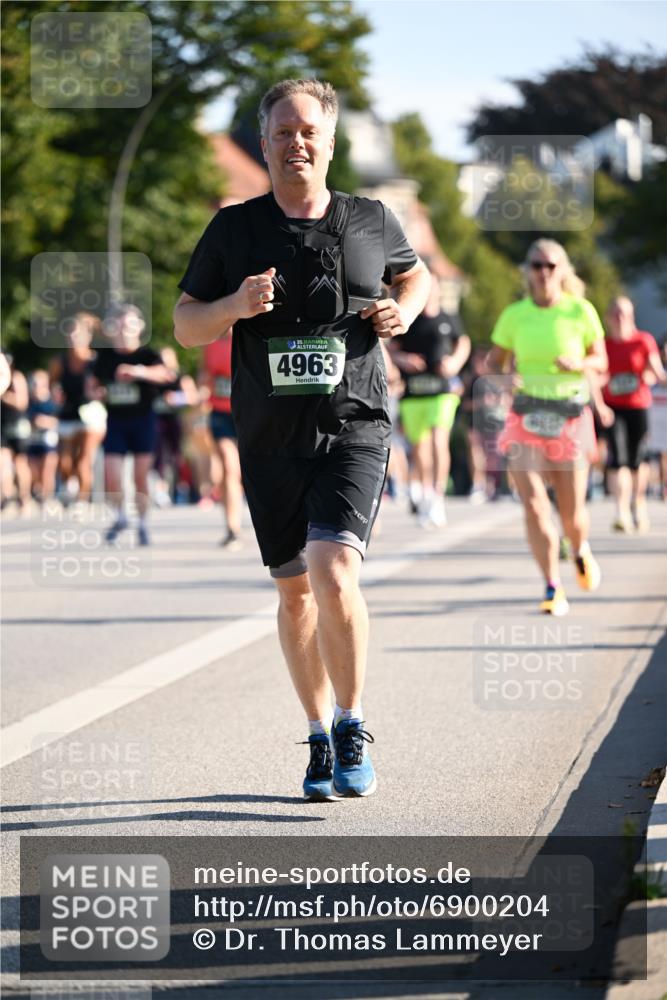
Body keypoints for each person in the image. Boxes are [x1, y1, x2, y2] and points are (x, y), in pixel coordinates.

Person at [174, 78, 429, 800]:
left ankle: (351, 722)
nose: (296, 143)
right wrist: (232, 304)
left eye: (308, 131)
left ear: (330, 142)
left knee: (332, 567)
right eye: (283, 132)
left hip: (354, 424)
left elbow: (417, 278)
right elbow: (186, 324)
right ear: (264, 144)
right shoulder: (234, 229)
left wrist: (403, 311)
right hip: (268, 437)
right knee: (294, 596)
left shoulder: (371, 219)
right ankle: (317, 733)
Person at [488, 239, 607, 617]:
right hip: (525, 416)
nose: (543, 272)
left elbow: (601, 360)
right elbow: (493, 362)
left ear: (563, 271)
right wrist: (505, 380)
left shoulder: (580, 311)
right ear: (528, 271)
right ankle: (552, 586)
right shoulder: (515, 314)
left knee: (571, 516)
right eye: (537, 265)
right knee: (535, 506)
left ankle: (580, 548)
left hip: (569, 416)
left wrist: (580, 364)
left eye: (551, 266)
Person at [388, 270, 470, 527]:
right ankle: (425, 493)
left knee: (438, 440)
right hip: (414, 393)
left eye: (433, 286)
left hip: (441, 392)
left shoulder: (448, 317)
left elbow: (463, 343)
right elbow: (390, 347)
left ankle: (437, 495)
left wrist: (454, 363)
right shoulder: (408, 316)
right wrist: (404, 360)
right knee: (420, 449)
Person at [89, 305, 176, 546]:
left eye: (129, 325)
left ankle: (143, 523)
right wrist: (97, 393)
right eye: (120, 325)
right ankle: (120, 517)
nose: (124, 330)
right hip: (116, 422)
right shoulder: (105, 357)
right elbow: (92, 384)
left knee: (140, 476)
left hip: (143, 421)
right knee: (112, 474)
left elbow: (167, 375)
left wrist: (138, 372)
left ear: (139, 327)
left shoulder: (147, 355)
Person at [601, 296, 667, 533]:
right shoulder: (604, 344)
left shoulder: (643, 341)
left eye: (625, 313)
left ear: (632, 316)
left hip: (639, 406)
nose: (620, 318)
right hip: (613, 408)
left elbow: (657, 373)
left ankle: (638, 502)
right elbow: (598, 374)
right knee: (618, 459)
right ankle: (621, 511)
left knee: (638, 459)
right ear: (609, 317)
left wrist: (659, 378)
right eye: (616, 313)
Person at [49, 311, 105, 503]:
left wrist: (97, 392)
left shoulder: (96, 361)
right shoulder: (59, 362)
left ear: (88, 336)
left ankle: (82, 501)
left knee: (83, 460)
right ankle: (69, 484)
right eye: (70, 333)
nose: (73, 337)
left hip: (92, 413)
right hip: (68, 412)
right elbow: (52, 384)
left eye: (78, 333)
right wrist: (55, 393)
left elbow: (105, 389)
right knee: (64, 462)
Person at [201, 331, 244, 548]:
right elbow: (204, 377)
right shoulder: (210, 342)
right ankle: (232, 528)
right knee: (229, 466)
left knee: (249, 470)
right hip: (220, 414)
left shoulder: (249, 337)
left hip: (248, 412)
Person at [1, 354, 32, 515]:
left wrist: (4, 395)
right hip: (2, 424)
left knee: (20, 462)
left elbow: (22, 402)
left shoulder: (16, 377)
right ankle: (6, 496)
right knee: (3, 462)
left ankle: (24, 499)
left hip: (17, 424)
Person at [27, 369, 60, 503]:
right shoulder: (29, 402)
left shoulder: (52, 401)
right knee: (33, 472)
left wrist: (44, 422)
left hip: (49, 441)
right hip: (33, 440)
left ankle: (48, 498)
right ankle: (38, 494)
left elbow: (58, 420)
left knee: (48, 471)